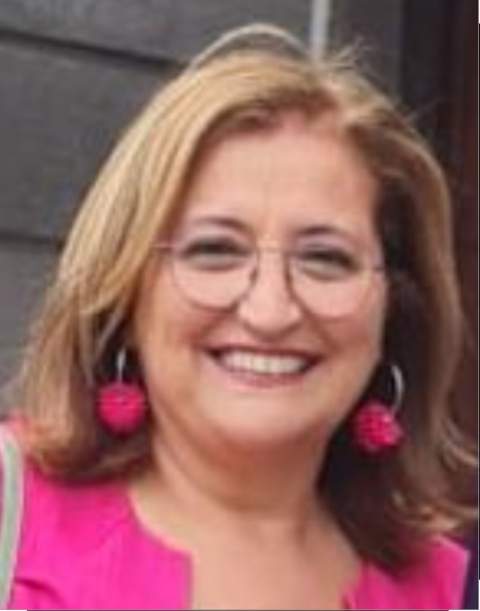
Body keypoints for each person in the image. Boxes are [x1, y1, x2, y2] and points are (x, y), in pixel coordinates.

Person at [0, 23, 476, 610]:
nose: (269, 311)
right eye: (215, 250)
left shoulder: (448, 591)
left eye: (325, 259)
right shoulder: (10, 514)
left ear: (395, 308)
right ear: (124, 290)